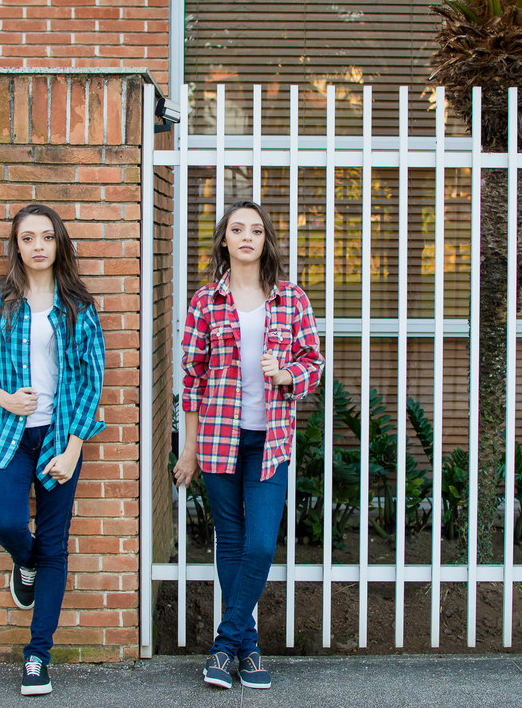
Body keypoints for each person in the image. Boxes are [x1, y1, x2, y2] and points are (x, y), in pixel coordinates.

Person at [174, 199, 324, 690]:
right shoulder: (204, 302)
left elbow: (312, 364)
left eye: (255, 230)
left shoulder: (292, 299)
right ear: (223, 240)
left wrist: (285, 374)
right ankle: (250, 649)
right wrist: (189, 449)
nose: (245, 237)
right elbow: (192, 379)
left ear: (265, 241)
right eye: (236, 229)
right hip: (218, 440)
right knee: (233, 543)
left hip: (271, 439)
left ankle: (224, 646)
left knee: (259, 543)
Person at [0, 204, 105, 697]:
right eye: (28, 238)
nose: (38, 246)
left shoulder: (78, 306)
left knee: (56, 544)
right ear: (16, 246)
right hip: (10, 435)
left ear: (59, 244)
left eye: (47, 237)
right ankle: (26, 561)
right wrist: (2, 396)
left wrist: (73, 449)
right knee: (9, 525)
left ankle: (37, 657)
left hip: (60, 439)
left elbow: (90, 380)